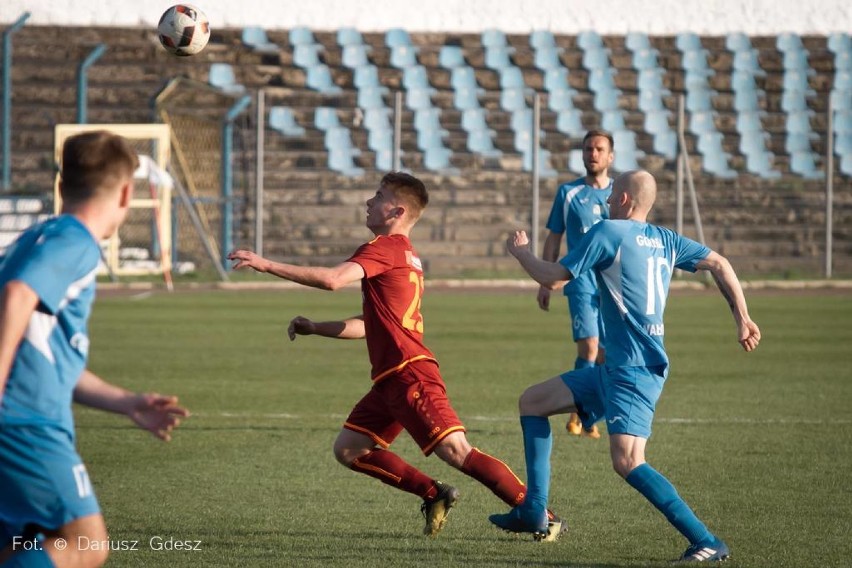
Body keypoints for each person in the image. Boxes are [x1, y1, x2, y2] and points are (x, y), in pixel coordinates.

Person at [228, 172, 563, 541]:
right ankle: (435, 493)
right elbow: (370, 325)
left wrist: (265, 263)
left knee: (456, 450)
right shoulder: (404, 255)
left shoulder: (383, 248)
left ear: (397, 210)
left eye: (378, 195)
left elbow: (333, 280)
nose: (369, 202)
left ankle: (542, 514)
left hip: (409, 374)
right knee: (350, 450)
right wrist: (316, 327)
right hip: (391, 379)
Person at [490, 170, 760, 562]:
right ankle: (534, 510)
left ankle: (706, 541)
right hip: (613, 370)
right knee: (532, 401)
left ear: (625, 201)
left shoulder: (608, 232)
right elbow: (720, 262)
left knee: (628, 461)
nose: (607, 199)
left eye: (613, 193)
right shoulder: (666, 240)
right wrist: (743, 317)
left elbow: (552, 280)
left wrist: (521, 253)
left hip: (632, 372)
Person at [0, 131, 189, 568]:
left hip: (23, 415)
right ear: (127, 192)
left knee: (30, 544)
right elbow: (15, 295)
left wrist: (127, 403)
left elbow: (47, 353)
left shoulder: (39, 236)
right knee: (85, 544)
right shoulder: (76, 241)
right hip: (25, 422)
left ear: (62, 185)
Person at [538, 130, 614, 439]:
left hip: (612, 283)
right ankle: (581, 416)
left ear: (610, 156)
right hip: (580, 279)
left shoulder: (620, 194)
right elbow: (554, 238)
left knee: (608, 354)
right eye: (587, 149)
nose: (592, 154)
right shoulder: (568, 193)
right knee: (591, 346)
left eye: (599, 149)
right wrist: (545, 280)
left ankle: (584, 413)